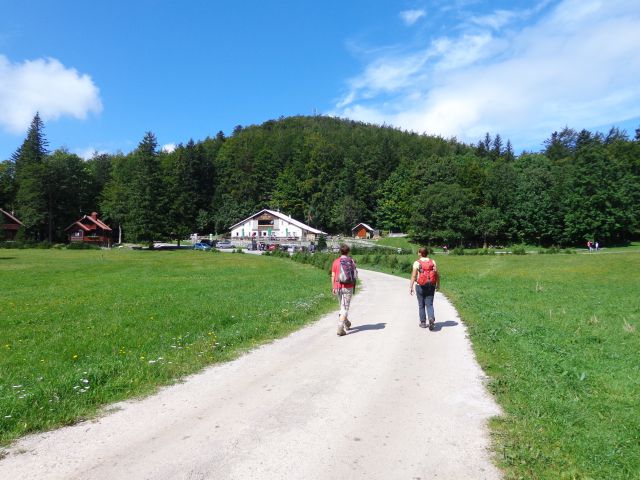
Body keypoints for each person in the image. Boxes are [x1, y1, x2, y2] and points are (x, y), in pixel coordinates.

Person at [409, 247, 441, 330]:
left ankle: (423, 322)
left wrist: (411, 287)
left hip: (420, 286)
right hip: (431, 285)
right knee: (429, 304)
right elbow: (437, 274)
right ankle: (431, 318)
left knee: (421, 305)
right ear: (427, 253)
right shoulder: (432, 262)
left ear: (419, 253)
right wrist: (438, 284)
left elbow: (413, 275)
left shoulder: (417, 263)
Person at [331, 244, 358, 336]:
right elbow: (355, 275)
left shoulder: (335, 262)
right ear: (348, 252)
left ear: (340, 251)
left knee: (342, 307)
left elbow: (333, 276)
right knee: (344, 308)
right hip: (348, 287)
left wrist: (333, 287)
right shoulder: (351, 261)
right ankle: (340, 328)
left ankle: (347, 323)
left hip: (338, 286)